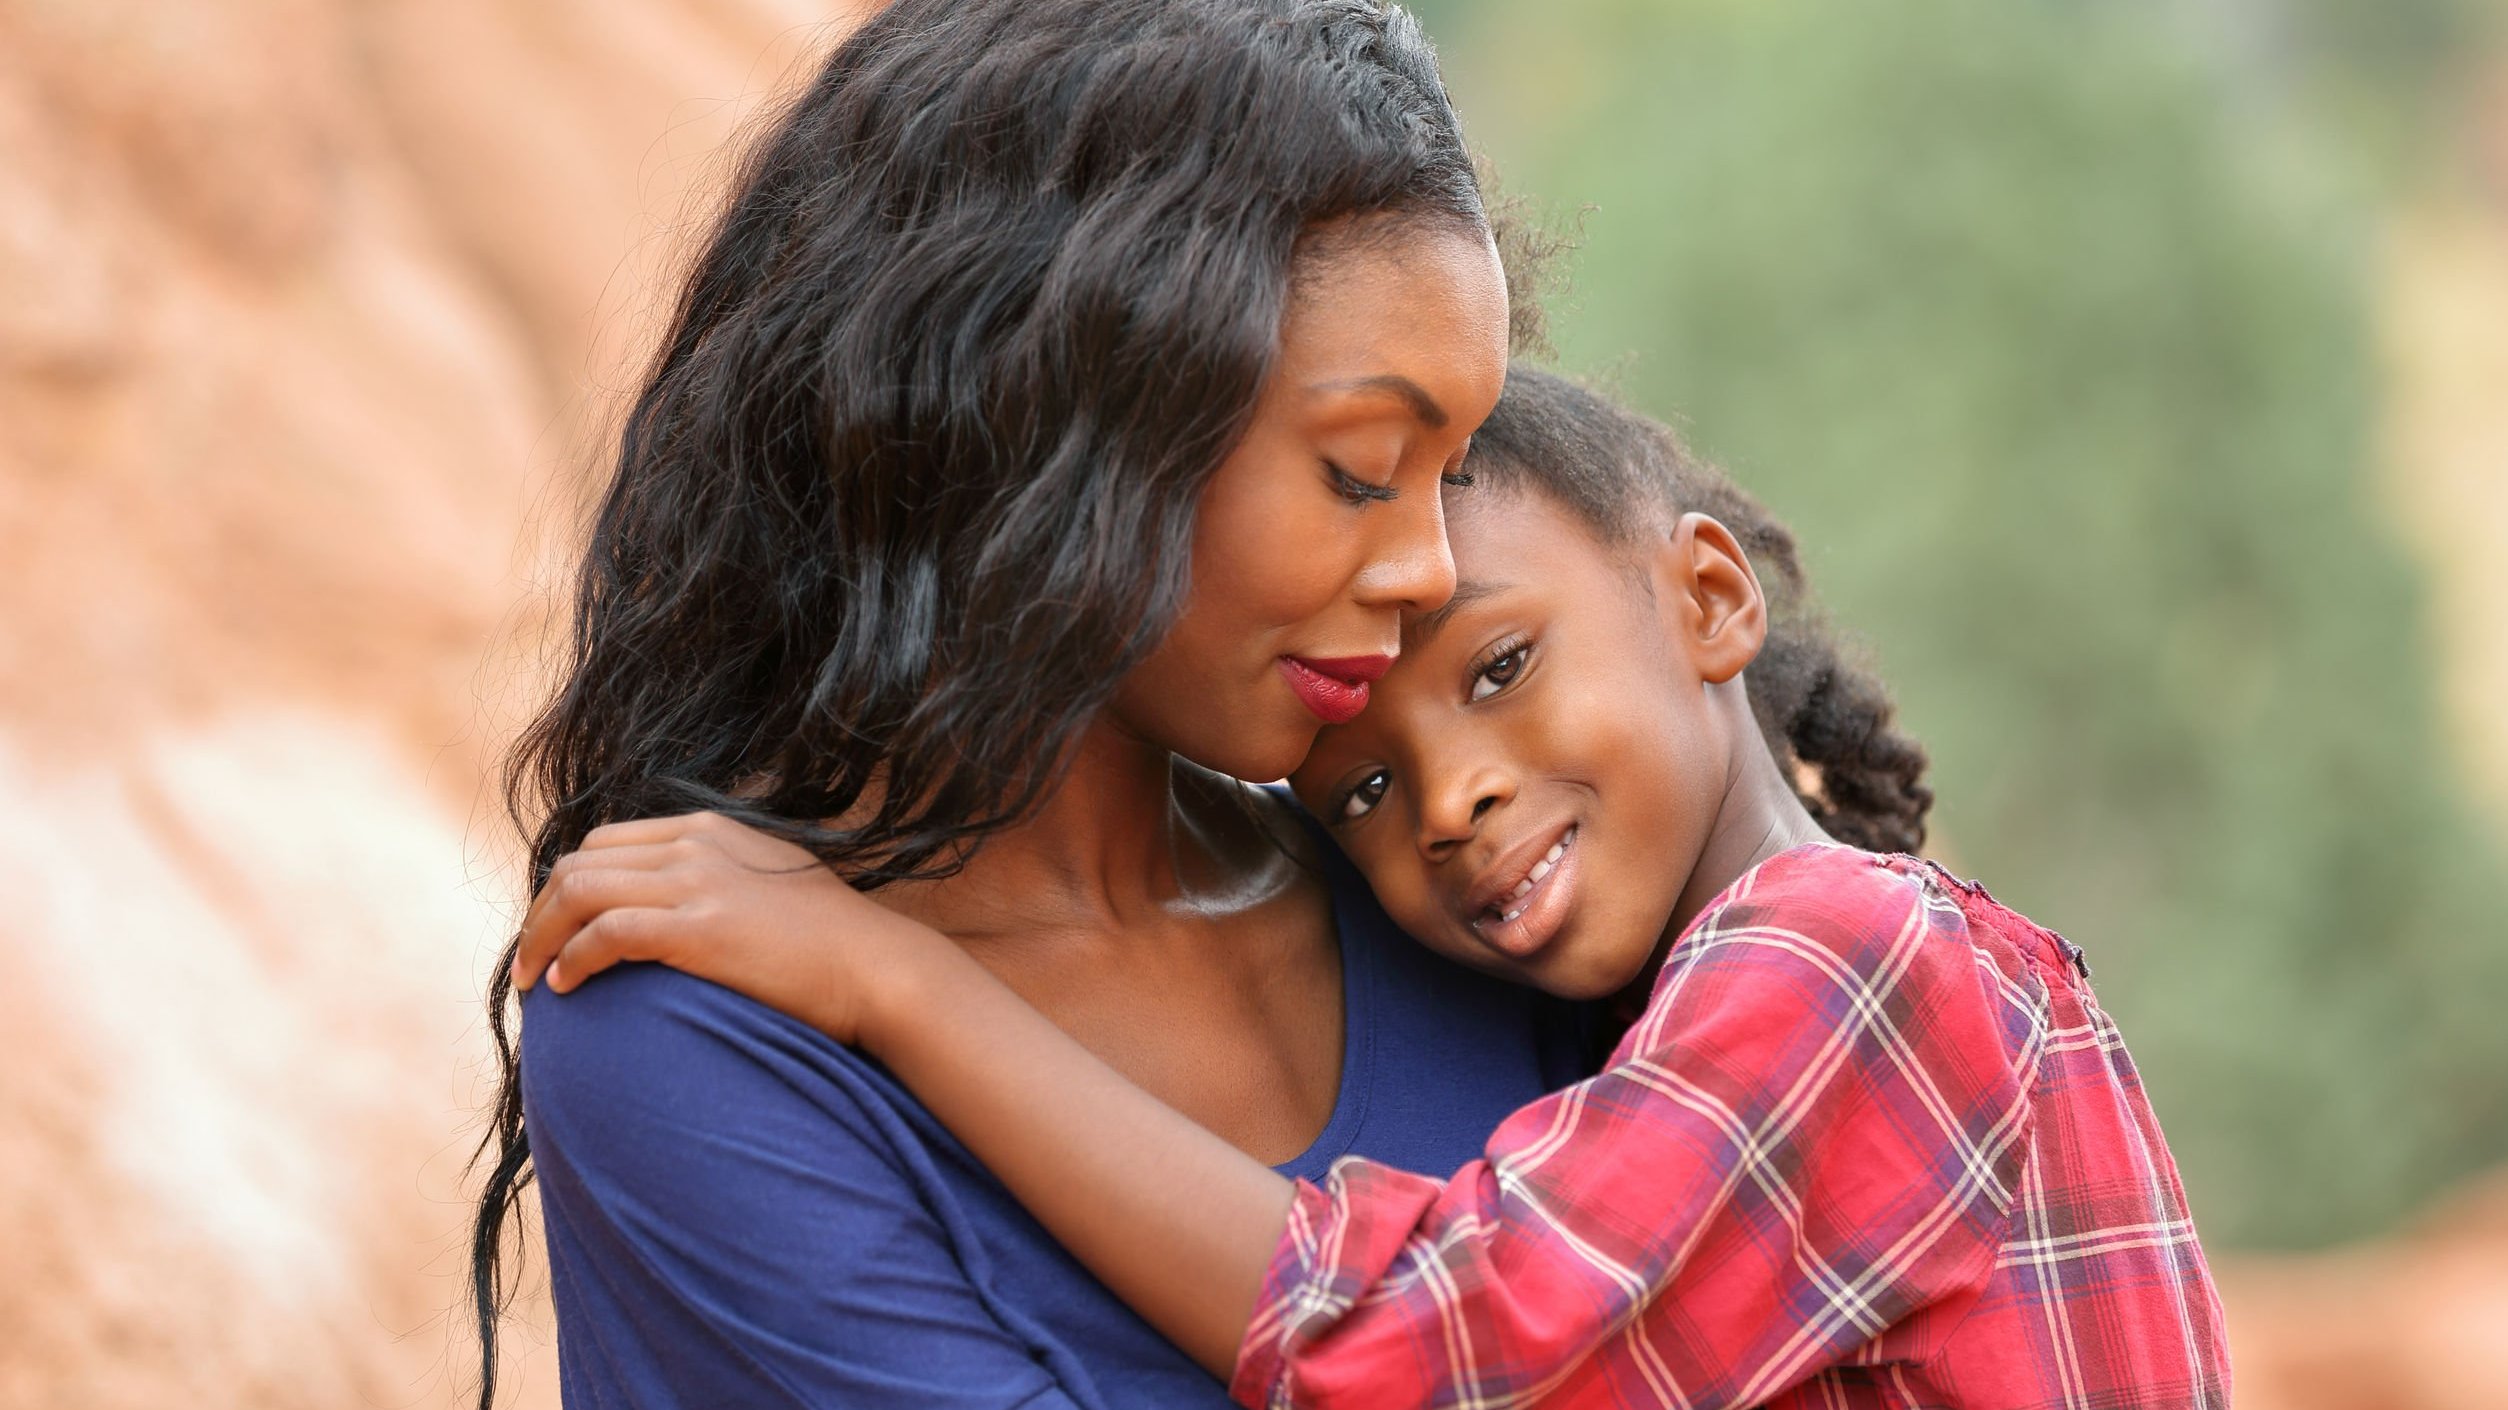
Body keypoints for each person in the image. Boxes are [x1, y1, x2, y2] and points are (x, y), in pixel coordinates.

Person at [515, 367, 2235, 1408]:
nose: (1451, 796)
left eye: (1498, 668)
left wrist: (891, 980)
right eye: (1356, 786)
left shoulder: (1840, 956)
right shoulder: (1755, 1001)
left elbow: (1425, 1350)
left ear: (1709, 599)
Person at [467, 3, 1592, 1406]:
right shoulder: (700, 1032)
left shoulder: (1464, 892)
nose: (1427, 569)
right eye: (1363, 469)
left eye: (1453, 473)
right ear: (1065, 404)